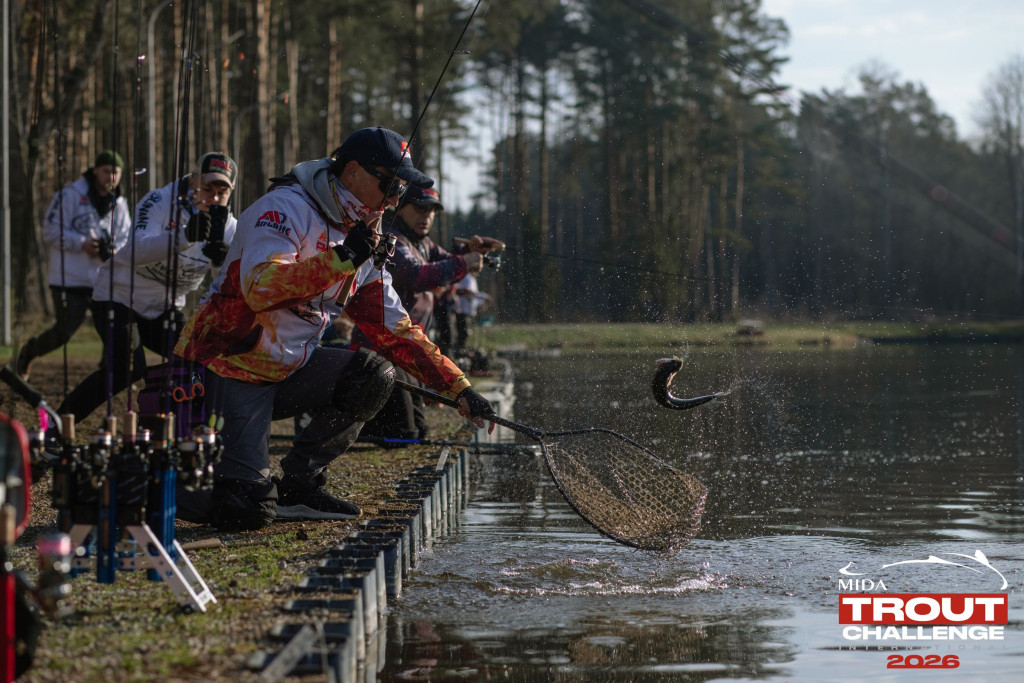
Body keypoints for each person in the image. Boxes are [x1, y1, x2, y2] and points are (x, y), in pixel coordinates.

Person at [173, 126, 496, 531]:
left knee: (373, 375)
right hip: (228, 369)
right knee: (246, 510)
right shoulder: (284, 208)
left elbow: (395, 328)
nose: (396, 198)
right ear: (354, 172)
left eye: (402, 189)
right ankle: (159, 484)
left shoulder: (365, 232)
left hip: (291, 369)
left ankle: (300, 486)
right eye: (391, 184)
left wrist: (458, 388)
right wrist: (343, 258)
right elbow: (260, 287)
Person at [54, 152, 238, 427]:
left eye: (221, 192)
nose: (213, 197)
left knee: (200, 360)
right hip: (117, 296)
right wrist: (184, 236)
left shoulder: (230, 228)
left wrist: (219, 263)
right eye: (207, 187)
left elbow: (223, 288)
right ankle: (56, 425)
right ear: (193, 181)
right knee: (127, 369)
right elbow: (136, 249)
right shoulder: (160, 201)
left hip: (163, 307)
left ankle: (168, 429)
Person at [356, 184, 503, 441]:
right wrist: (463, 263)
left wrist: (468, 253)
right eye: (420, 209)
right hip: (382, 350)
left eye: (432, 211)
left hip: (408, 351)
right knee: (405, 433)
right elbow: (415, 274)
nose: (426, 216)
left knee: (418, 432)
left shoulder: (423, 243)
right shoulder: (390, 238)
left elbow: (444, 260)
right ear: (401, 208)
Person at [16, 151, 131, 380]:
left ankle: (108, 375)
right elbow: (50, 231)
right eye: (106, 171)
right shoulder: (69, 195)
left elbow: (125, 238)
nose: (111, 177)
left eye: (116, 172)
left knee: (112, 328)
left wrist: (113, 251)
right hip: (70, 278)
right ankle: (30, 351)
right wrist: (81, 244)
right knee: (64, 331)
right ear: (95, 171)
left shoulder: (119, 202)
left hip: (103, 279)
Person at [454, 272, 489, 352]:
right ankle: (458, 351)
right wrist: (483, 296)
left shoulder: (473, 279)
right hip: (462, 311)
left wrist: (481, 303)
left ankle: (463, 350)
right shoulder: (466, 277)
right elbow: (464, 291)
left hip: (469, 312)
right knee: (463, 333)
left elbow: (473, 295)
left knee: (467, 333)